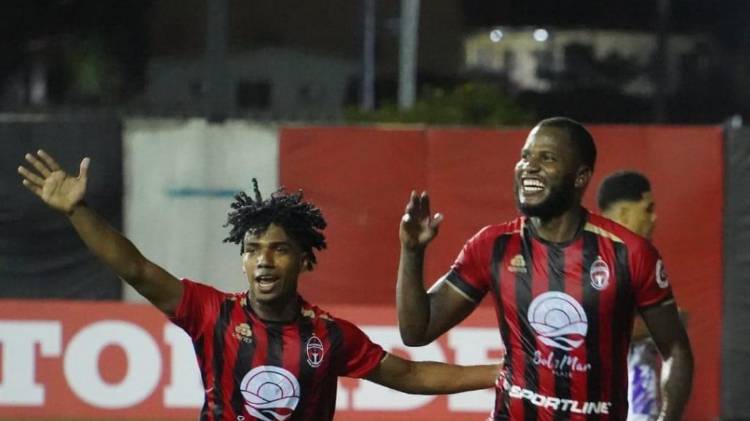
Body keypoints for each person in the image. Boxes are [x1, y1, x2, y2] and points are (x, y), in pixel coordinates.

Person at [17, 150, 502, 421]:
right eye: (252, 249)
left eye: (279, 249)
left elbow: (410, 376)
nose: (263, 260)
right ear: (243, 260)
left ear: (305, 261)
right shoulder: (211, 313)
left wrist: (501, 373)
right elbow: (137, 269)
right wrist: (78, 212)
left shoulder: (329, 335)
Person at [396, 117, 693, 421]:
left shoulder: (629, 253)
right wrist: (412, 252)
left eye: (547, 158)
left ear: (580, 177)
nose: (530, 166)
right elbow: (417, 331)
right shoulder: (493, 246)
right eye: (525, 156)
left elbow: (676, 350)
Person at [597, 170, 682, 421]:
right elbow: (589, 330)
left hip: (636, 402)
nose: (654, 218)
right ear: (624, 213)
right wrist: (663, 325)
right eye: (647, 209)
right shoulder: (590, 261)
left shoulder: (640, 262)